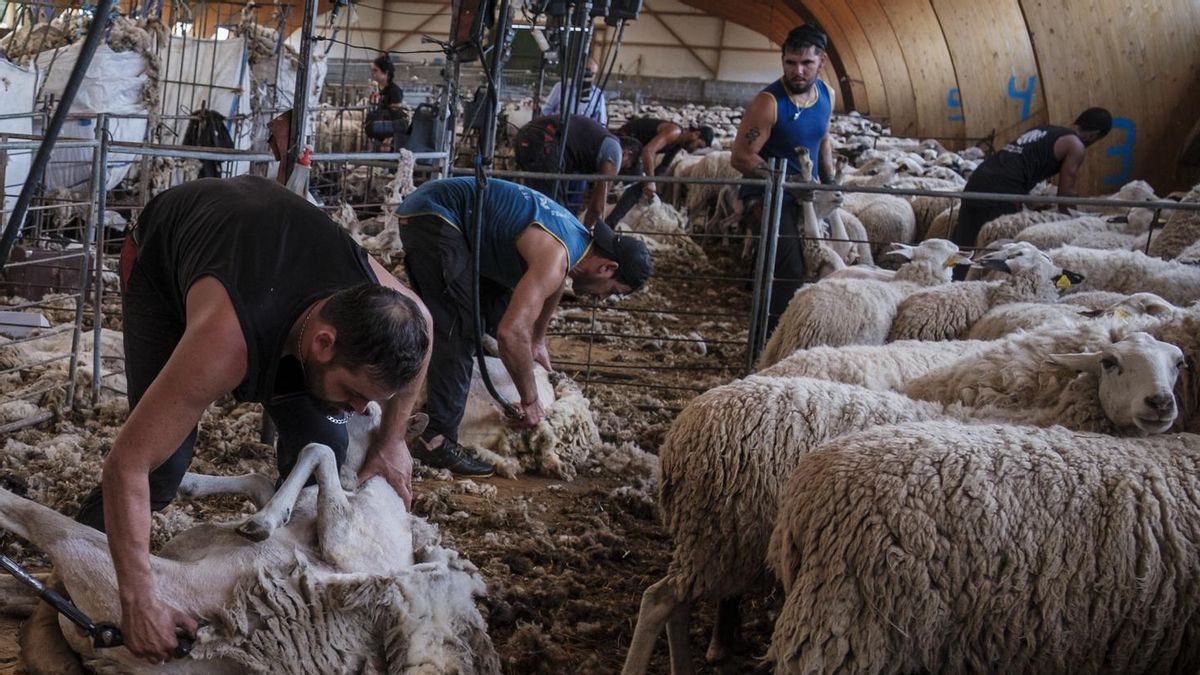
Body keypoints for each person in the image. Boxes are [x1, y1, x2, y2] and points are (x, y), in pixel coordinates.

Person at [72, 175, 432, 663]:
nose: (358, 409)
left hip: (267, 262)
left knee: (325, 436)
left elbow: (425, 328)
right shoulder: (224, 344)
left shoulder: (385, 309)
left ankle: (281, 569)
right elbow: (126, 466)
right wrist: (137, 599)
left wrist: (393, 440)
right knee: (160, 470)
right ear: (324, 344)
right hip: (166, 260)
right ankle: (76, 557)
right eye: (354, 393)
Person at [396, 176, 651, 473]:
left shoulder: (576, 244)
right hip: (437, 216)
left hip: (453, 222)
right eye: (612, 291)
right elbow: (511, 332)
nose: (603, 299)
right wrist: (530, 401)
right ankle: (437, 440)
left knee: (491, 317)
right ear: (608, 268)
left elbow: (554, 286)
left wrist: (537, 340)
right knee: (458, 328)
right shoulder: (556, 256)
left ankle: (443, 400)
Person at [730, 24, 835, 336]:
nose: (798, 71)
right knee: (788, 269)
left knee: (823, 261)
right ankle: (770, 339)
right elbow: (741, 156)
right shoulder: (769, 102)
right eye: (790, 63)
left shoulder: (827, 94)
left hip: (807, 196)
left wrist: (830, 184)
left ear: (822, 62)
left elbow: (824, 140)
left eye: (806, 64)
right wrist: (785, 181)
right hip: (766, 197)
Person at [951, 107, 1114, 247]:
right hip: (1003, 189)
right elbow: (1066, 193)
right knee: (994, 246)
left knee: (965, 241)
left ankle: (954, 278)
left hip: (979, 177)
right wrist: (1072, 222)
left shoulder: (1043, 130)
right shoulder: (1075, 145)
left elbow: (1020, 162)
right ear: (1094, 135)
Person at [514, 113, 641, 228]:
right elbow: (598, 206)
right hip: (546, 142)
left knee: (534, 199)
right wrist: (584, 234)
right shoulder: (615, 152)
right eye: (625, 166)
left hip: (525, 134)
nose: (617, 171)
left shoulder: (599, 139)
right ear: (627, 154)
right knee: (552, 210)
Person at [606, 117, 716, 226]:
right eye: (698, 145)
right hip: (625, 141)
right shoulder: (674, 132)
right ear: (695, 134)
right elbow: (648, 151)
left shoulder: (678, 144)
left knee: (638, 187)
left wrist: (653, 184)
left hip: (635, 149)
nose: (695, 149)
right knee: (635, 185)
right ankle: (609, 222)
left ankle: (613, 219)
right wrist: (650, 180)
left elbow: (664, 166)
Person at [541, 58, 608, 126]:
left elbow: (602, 123)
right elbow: (545, 112)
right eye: (586, 72)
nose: (588, 76)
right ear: (579, 70)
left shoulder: (598, 95)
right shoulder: (561, 87)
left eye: (592, 73)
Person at [364, 54, 406, 151]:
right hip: (378, 131)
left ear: (386, 73)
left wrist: (389, 138)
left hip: (388, 136)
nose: (373, 73)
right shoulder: (379, 89)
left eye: (376, 70)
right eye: (372, 70)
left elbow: (397, 115)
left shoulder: (394, 91)